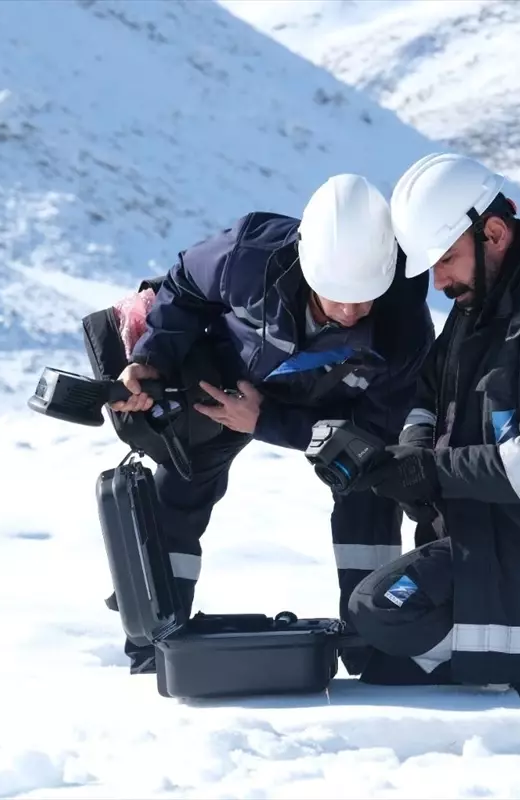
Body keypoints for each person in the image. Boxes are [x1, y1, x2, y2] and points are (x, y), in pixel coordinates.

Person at [330, 152, 520, 700]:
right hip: (490, 546)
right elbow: (428, 395)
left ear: (493, 232)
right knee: (369, 624)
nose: (439, 281)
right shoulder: (484, 301)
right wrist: (408, 457)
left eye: (446, 260)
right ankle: (474, 657)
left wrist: (431, 472)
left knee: (378, 614)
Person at [109, 173, 435, 674]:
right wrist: (152, 357)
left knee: (367, 492)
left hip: (327, 414)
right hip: (222, 381)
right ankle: (155, 643)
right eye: (336, 295)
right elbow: (183, 287)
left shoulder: (404, 331)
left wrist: (267, 421)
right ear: (308, 266)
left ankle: (372, 645)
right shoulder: (248, 255)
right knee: (182, 478)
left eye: (364, 297)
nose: (350, 312)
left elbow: (369, 440)